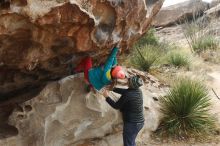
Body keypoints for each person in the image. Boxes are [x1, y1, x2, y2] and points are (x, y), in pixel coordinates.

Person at [103, 75, 145, 146]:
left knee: (128, 143)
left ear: (131, 84)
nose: (127, 81)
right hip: (140, 122)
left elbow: (116, 106)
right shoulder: (138, 90)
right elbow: (125, 91)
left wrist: (107, 97)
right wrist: (113, 89)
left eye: (129, 80)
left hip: (132, 124)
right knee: (131, 141)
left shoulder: (128, 94)